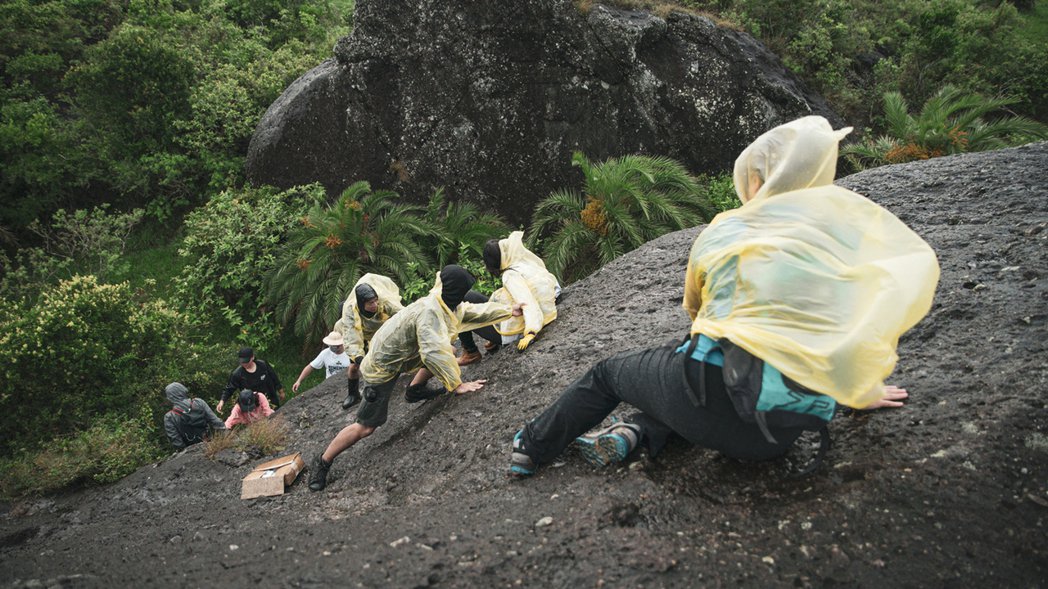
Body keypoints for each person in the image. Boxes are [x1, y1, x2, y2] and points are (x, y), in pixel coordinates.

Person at [508, 116, 940, 477]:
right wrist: (859, 390)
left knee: (619, 372)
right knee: (686, 366)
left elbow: (696, 313)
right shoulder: (837, 240)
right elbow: (856, 328)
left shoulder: (727, 231)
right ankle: (637, 432)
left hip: (707, 402)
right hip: (774, 438)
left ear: (757, 180)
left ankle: (531, 446)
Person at [308, 264, 524, 491]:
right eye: (463, 290)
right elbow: (432, 352)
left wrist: (510, 310)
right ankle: (323, 461)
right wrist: (456, 384)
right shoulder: (430, 311)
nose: (464, 294)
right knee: (366, 427)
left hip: (407, 355)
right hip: (382, 368)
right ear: (454, 291)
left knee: (448, 350)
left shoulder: (445, 303)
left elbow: (470, 312)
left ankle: (415, 389)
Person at [474, 230, 560, 360]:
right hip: (548, 305)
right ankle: (490, 341)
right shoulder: (524, 262)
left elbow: (527, 302)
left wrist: (531, 332)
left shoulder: (510, 275)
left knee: (464, 301)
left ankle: (470, 352)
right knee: (490, 300)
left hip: (517, 330)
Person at [332, 274, 404, 409]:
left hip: (382, 330)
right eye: (370, 303)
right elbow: (351, 338)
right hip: (362, 334)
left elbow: (402, 315)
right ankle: (353, 394)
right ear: (361, 303)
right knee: (354, 367)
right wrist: (361, 359)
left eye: (375, 301)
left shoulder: (384, 301)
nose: (375, 305)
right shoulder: (350, 310)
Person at [217, 347, 285, 414]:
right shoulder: (237, 374)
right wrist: (222, 401)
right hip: (255, 405)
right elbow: (229, 388)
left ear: (252, 357)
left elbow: (274, 377)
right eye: (242, 362)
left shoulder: (263, 365)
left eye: (246, 362)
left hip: (271, 399)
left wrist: (281, 391)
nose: (244, 364)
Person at [291, 331, 352, 401]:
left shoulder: (350, 353)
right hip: (330, 385)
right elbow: (311, 366)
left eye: (336, 346)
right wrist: (299, 381)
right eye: (331, 346)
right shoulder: (325, 353)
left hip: (346, 385)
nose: (333, 348)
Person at [163, 382, 226, 450]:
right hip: (209, 445)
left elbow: (177, 442)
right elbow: (217, 422)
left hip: (190, 452)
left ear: (170, 397)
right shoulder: (199, 402)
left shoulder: (169, 417)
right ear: (183, 391)